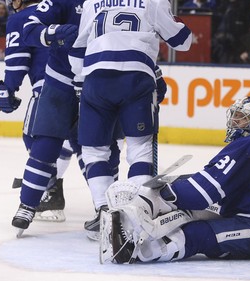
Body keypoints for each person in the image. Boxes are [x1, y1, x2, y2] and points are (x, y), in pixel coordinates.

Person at [100, 96, 250, 264]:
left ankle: (133, 253)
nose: (235, 121)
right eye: (235, 115)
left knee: (197, 235)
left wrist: (163, 195)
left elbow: (202, 193)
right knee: (198, 217)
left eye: (243, 117)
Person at [68, 0, 192, 237]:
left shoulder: (92, 2)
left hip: (96, 78)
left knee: (94, 150)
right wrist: (174, 20)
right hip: (136, 78)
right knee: (139, 147)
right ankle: (136, 212)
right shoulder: (154, 2)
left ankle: (103, 212)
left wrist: (79, 81)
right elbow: (183, 42)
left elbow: (77, 51)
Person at [6, 0, 121, 237]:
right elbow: (29, 28)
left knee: (101, 147)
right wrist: (53, 33)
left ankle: (110, 208)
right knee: (46, 144)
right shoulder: (61, 1)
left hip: (97, 81)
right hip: (60, 82)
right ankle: (28, 204)